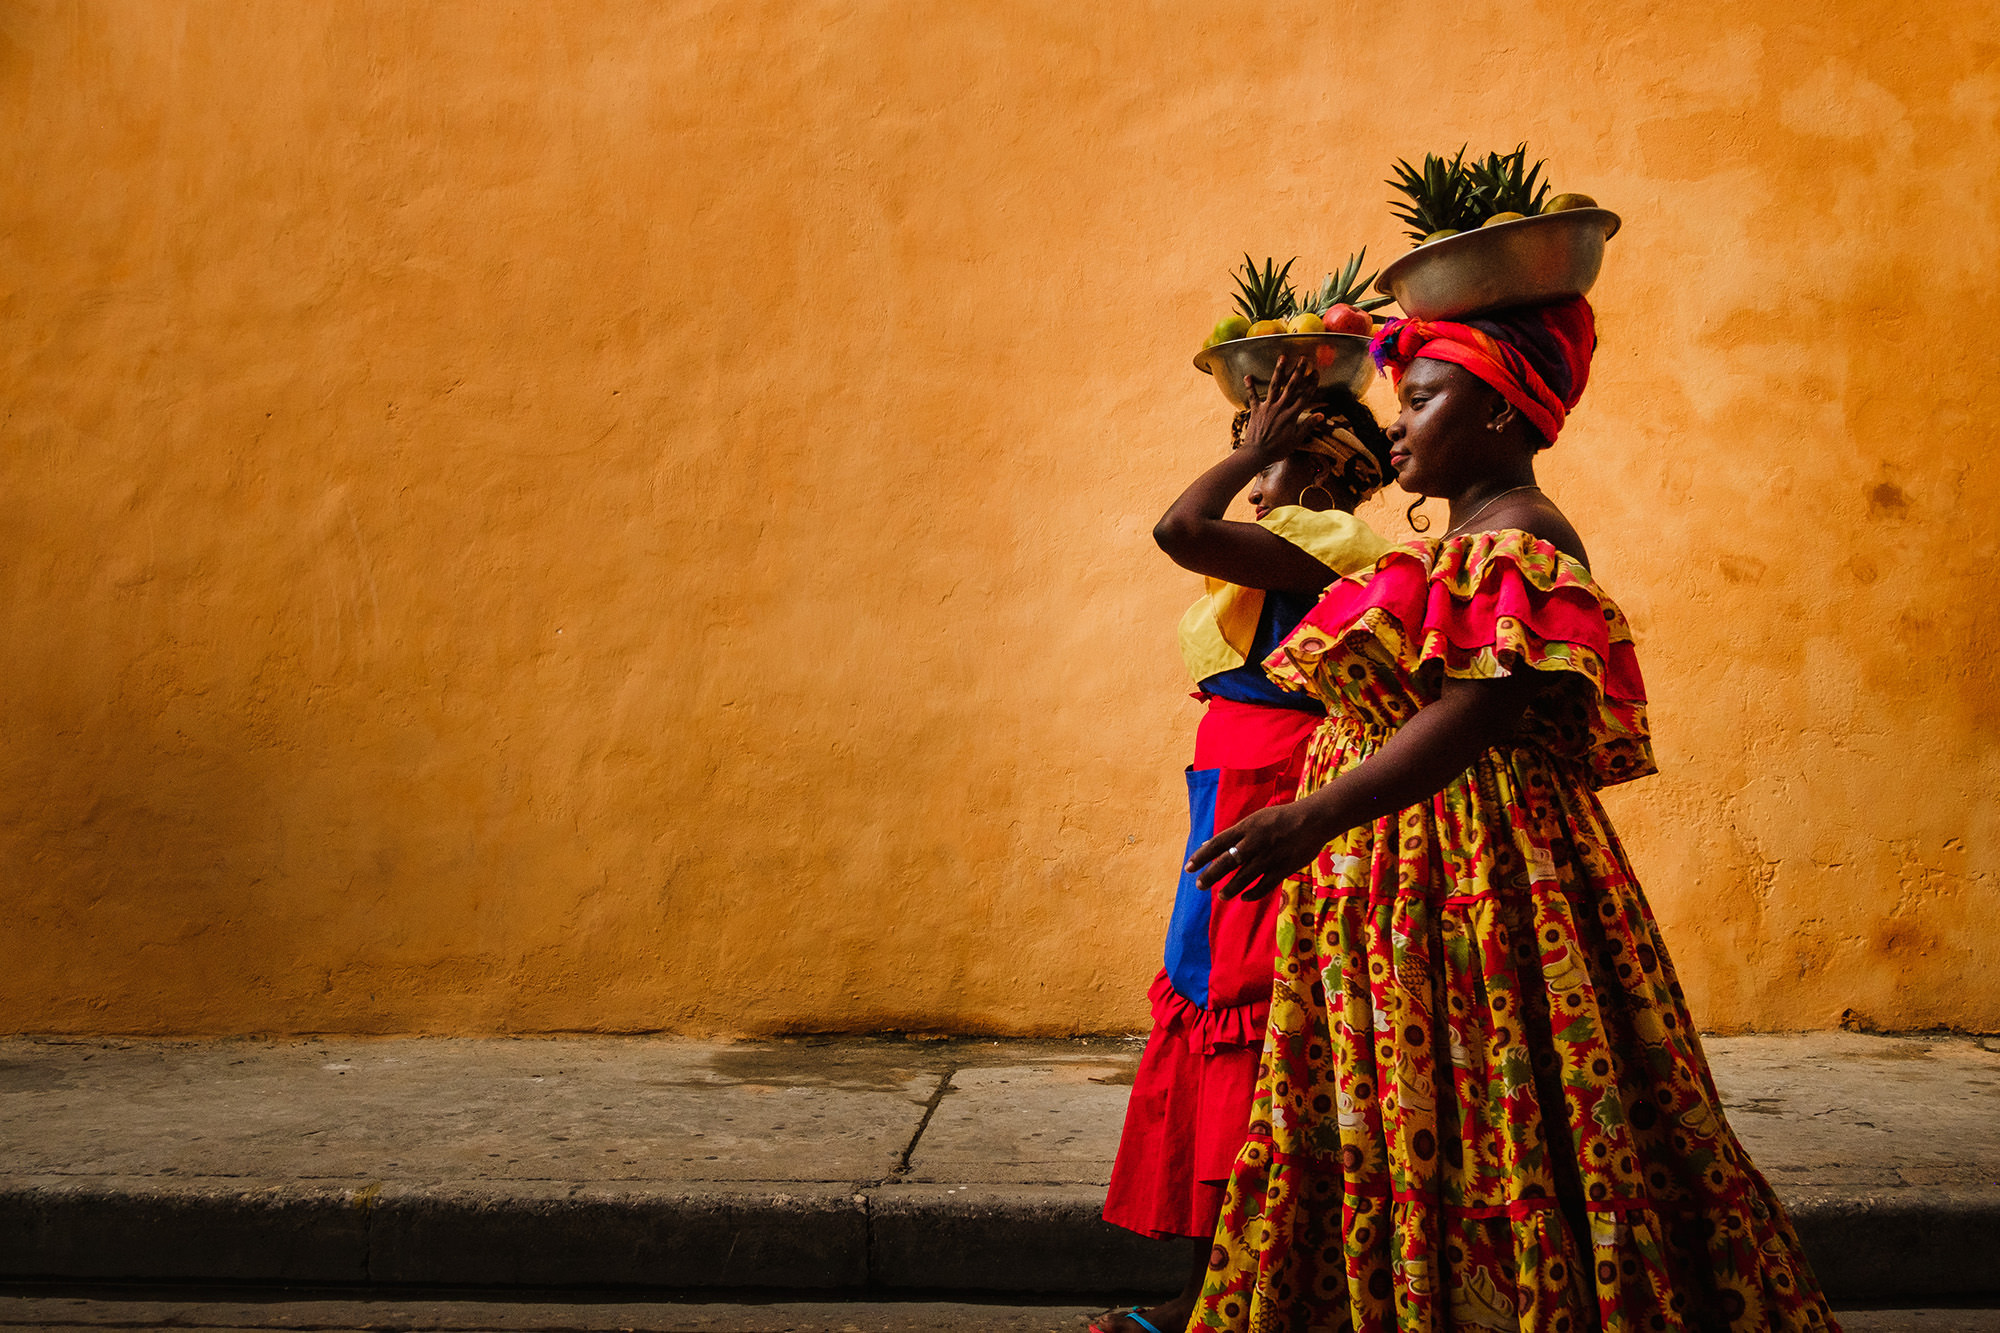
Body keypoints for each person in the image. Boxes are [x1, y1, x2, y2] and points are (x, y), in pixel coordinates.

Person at [1182, 298, 1839, 1332]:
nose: (1396, 426)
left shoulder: (1519, 536)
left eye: (1421, 401)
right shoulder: (1452, 543)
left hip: (1476, 870)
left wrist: (1306, 819)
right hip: (1403, 870)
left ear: (1497, 416)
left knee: (1495, 1098)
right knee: (1414, 1104)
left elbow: (1472, 714)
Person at [1095, 367, 1396, 1333]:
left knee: (1240, 1016)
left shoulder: (1327, 544)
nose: (1246, 471)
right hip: (1236, 784)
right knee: (1220, 1008)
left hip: (1271, 794)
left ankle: (1208, 1304)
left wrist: (1251, 452)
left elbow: (1178, 529)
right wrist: (1261, 447)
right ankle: (1237, 1289)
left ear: (1309, 469)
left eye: (1264, 448)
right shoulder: (1286, 552)